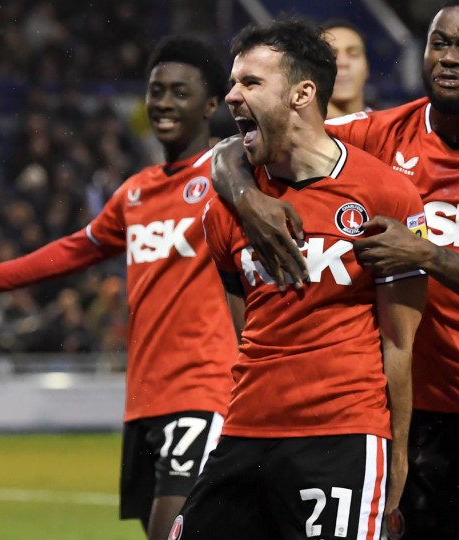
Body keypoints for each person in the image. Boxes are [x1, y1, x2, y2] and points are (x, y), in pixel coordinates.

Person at [211, 2, 459, 539]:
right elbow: (242, 143)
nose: (448, 58)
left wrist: (423, 252)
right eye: (438, 44)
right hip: (419, 408)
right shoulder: (381, 132)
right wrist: (247, 198)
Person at [0, 37, 236, 540]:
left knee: (170, 532)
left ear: (211, 105)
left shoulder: (228, 172)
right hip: (146, 396)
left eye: (180, 92)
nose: (164, 103)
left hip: (205, 387)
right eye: (156, 91)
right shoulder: (136, 191)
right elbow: (74, 249)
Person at [173, 20, 426, 540]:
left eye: (250, 83)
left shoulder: (387, 196)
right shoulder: (227, 211)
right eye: (232, 83)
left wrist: (398, 457)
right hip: (244, 431)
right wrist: (244, 200)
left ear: (302, 93)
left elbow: (399, 343)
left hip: (342, 436)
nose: (231, 95)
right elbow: (248, 329)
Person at [323, 19, 371, 117]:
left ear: (367, 67)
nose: (342, 63)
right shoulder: (293, 131)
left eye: (354, 54)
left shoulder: (391, 129)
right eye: (330, 55)